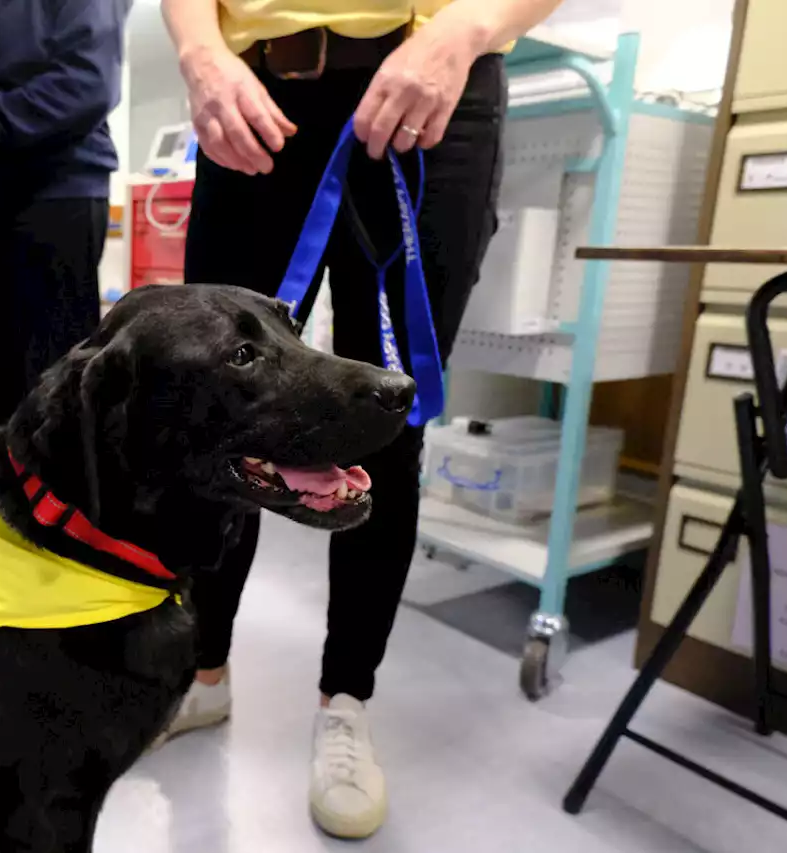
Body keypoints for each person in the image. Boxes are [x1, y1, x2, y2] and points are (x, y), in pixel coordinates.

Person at [157, 0, 564, 839]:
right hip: (254, 97)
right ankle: (203, 672)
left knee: (388, 424)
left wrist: (469, 30)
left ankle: (346, 700)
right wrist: (198, 51)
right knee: (219, 419)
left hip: (429, 89)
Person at [0, 0, 131, 434]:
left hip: (55, 189)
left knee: (53, 389)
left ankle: (62, 499)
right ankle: (7, 495)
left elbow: (89, 80)